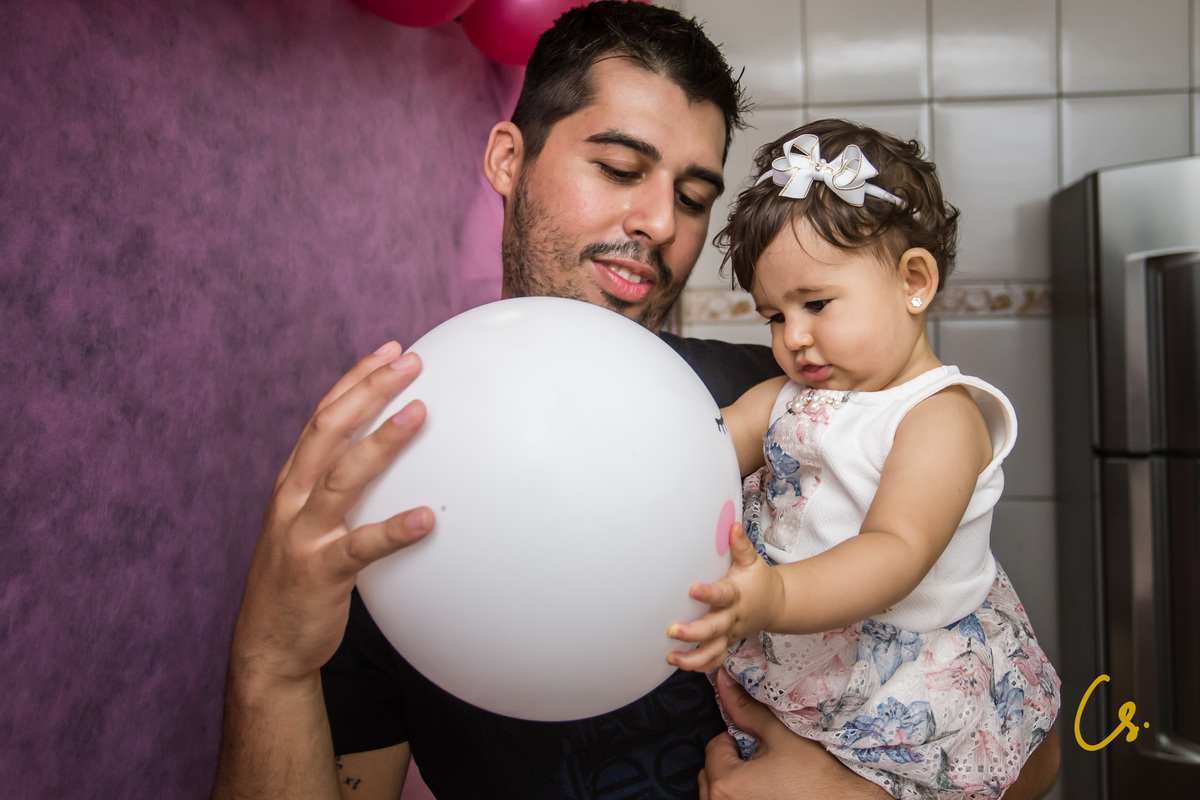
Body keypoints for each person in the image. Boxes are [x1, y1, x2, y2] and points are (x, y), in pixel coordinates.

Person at [212, 4, 1060, 798]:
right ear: (509, 160)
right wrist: (270, 664)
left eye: (694, 198)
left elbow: (1026, 741)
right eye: (619, 168)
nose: (659, 221)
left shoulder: (797, 405)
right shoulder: (390, 474)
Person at [666, 119, 1062, 798]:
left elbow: (896, 548)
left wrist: (775, 595)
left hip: (900, 676)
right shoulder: (787, 398)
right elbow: (693, 450)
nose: (793, 337)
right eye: (773, 316)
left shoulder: (940, 416)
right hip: (808, 658)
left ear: (913, 281)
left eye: (815, 304)